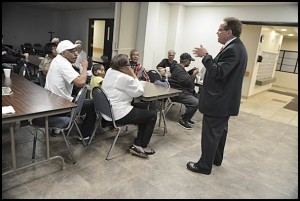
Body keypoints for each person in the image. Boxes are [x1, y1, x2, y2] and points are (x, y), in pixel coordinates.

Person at [187, 17, 248, 175]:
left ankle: (204, 166)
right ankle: (215, 159)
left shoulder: (233, 49)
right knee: (219, 133)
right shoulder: (235, 47)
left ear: (229, 32)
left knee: (211, 134)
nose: (217, 33)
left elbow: (219, 72)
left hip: (219, 101)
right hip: (224, 101)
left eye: (220, 30)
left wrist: (206, 55)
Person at [101, 53, 157, 158]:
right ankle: (140, 146)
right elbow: (139, 91)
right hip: (119, 114)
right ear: (122, 67)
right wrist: (133, 74)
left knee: (146, 110)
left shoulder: (110, 71)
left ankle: (139, 140)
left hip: (107, 111)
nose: (130, 66)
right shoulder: (125, 78)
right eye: (128, 65)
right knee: (152, 115)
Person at [45, 40, 97, 141]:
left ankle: (57, 128)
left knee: (76, 92)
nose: (76, 54)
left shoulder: (57, 60)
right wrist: (85, 67)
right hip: (59, 106)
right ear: (64, 53)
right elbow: (81, 82)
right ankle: (84, 135)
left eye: (76, 51)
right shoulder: (63, 64)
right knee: (93, 104)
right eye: (72, 51)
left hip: (51, 100)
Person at [168, 52, 199, 130]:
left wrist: (191, 71)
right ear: (186, 61)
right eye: (190, 61)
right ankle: (183, 120)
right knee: (196, 102)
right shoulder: (178, 69)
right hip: (178, 93)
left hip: (182, 91)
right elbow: (188, 81)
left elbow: (183, 78)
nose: (190, 63)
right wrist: (194, 74)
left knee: (197, 98)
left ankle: (187, 117)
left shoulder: (179, 68)